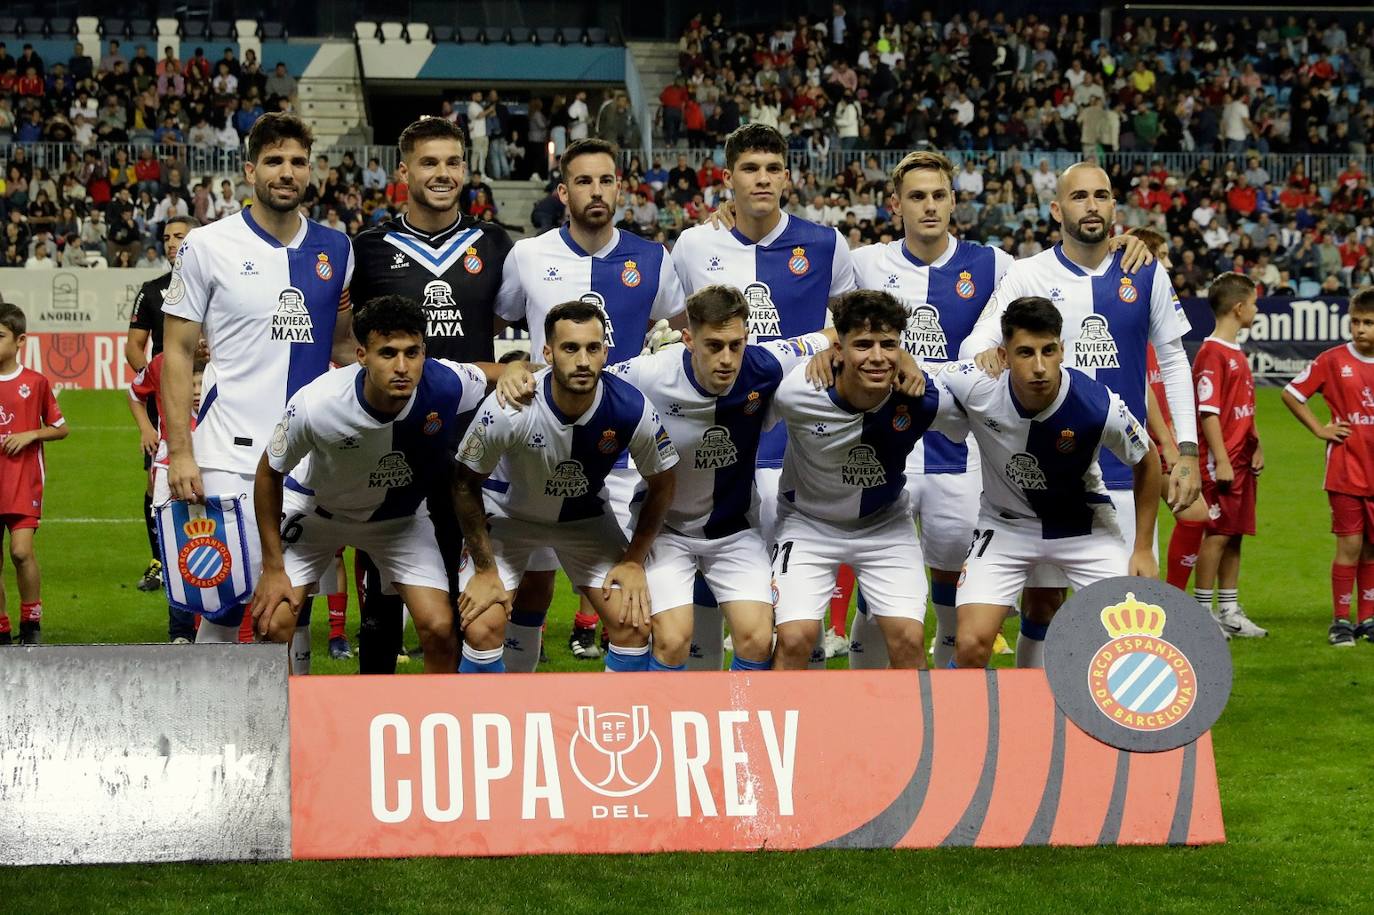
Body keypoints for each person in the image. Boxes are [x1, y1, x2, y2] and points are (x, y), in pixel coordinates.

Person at [963, 162, 1196, 665]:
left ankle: (1115, 724)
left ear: (1114, 207)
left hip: (1128, 471)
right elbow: (980, 340)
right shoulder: (1027, 274)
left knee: (1125, 612)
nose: (1091, 205)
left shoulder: (1145, 270)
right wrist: (985, 352)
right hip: (1052, 471)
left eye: (1101, 196)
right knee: (1044, 603)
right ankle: (1036, 709)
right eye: (1079, 197)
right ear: (1057, 209)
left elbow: (1174, 361)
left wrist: (1188, 451)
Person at [160, 113, 355, 663]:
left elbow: (341, 346)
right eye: (274, 161)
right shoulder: (206, 245)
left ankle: (296, 727)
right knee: (222, 601)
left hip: (309, 457)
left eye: (297, 161)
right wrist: (180, 451)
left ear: (310, 171)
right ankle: (210, 732)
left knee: (293, 603)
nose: (286, 172)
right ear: (251, 171)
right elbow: (176, 352)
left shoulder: (337, 249)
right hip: (227, 452)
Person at [672, 123, 857, 670]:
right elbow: (681, 329)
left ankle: (806, 679)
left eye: (773, 168)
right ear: (727, 178)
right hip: (720, 432)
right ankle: (706, 689)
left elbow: (847, 323)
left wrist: (830, 343)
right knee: (716, 550)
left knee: (798, 571)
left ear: (787, 176)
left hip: (799, 434)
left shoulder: (826, 243)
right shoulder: (694, 244)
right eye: (750, 169)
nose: (763, 179)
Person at [496, 138, 685, 662]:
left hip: (618, 454)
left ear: (620, 188)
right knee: (530, 590)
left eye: (605, 180)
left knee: (628, 607)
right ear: (563, 191)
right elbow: (501, 321)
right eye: (583, 180)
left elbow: (678, 329)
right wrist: (512, 367)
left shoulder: (653, 258)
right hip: (534, 452)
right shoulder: (529, 254)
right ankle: (517, 711)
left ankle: (621, 724)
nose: (596, 191)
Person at [249, 296, 499, 674]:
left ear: (424, 352)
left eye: (412, 353)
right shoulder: (318, 404)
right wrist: (272, 567)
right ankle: (283, 728)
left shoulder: (444, 384)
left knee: (439, 629)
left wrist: (515, 372)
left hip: (398, 523)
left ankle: (431, 727)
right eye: (387, 353)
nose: (403, 367)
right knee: (273, 622)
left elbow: (485, 373)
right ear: (362, 355)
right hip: (317, 515)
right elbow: (269, 472)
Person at [348, 116, 516, 674]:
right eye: (428, 162)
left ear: (465, 169)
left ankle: (447, 723)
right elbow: (345, 340)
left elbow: (510, 315)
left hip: (470, 439)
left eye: (452, 162)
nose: (442, 174)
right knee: (382, 586)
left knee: (458, 585)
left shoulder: (494, 243)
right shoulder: (368, 248)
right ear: (404, 170)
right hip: (392, 436)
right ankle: (372, 711)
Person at [605, 285, 835, 671]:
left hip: (735, 530)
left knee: (758, 638)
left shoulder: (764, 364)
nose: (727, 359)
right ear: (688, 340)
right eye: (714, 346)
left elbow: (831, 335)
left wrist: (837, 349)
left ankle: (739, 728)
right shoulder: (649, 373)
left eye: (736, 344)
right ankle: (662, 725)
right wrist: (513, 370)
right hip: (666, 530)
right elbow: (581, 379)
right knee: (674, 639)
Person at [846, 150, 1013, 669]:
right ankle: (866, 700)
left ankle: (942, 698)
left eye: (939, 195)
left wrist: (1123, 242)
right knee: (879, 584)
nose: (929, 206)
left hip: (957, 454)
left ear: (954, 201)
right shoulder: (866, 262)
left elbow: (1060, 268)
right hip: (883, 447)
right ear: (895, 205)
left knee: (949, 578)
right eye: (917, 197)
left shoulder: (993, 264)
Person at [452, 301, 679, 673]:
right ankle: (495, 724)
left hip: (583, 519)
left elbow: (664, 481)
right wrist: (484, 568)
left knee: (633, 624)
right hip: (508, 518)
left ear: (606, 351)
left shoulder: (630, 407)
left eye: (593, 348)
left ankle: (615, 727)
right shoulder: (509, 406)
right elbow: (463, 483)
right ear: (547, 352)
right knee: (481, 626)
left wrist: (634, 561)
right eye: (570, 348)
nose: (583, 360)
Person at [944, 296, 1160, 669]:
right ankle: (964, 723)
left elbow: (1148, 460)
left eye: (1049, 351)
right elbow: (917, 373)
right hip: (1005, 525)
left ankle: (1054, 712)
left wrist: (1142, 548)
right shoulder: (976, 383)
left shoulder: (1098, 404)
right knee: (971, 644)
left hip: (1085, 528)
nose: (1040, 366)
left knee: (1130, 641)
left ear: (1063, 350)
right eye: (1025, 353)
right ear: (1004, 355)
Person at [768, 290, 960, 669]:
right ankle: (780, 728)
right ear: (838, 349)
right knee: (795, 638)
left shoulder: (922, 397)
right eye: (863, 345)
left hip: (884, 526)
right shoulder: (796, 391)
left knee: (908, 638)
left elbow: (980, 417)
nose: (876, 356)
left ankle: (924, 729)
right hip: (807, 525)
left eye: (888, 345)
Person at [1283, 287, 1374, 646]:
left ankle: (1367, 619)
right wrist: (1320, 428)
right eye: (1355, 322)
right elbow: (1292, 393)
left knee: (1371, 548)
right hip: (1346, 471)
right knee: (1350, 546)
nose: (1361, 329)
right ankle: (1340, 620)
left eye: (1368, 323)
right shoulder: (1333, 360)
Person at [124, 216, 200, 594]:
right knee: (155, 480)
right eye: (167, 238)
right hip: (167, 401)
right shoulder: (153, 291)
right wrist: (158, 383)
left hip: (212, 394)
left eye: (179, 237)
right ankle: (161, 558)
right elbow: (133, 346)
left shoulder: (215, 284)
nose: (171, 243)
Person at [1193, 273, 1267, 639]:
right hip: (1222, 460)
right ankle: (1202, 612)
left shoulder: (1236, 352)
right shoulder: (1212, 354)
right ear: (1239, 308)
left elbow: (1243, 409)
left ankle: (1229, 610)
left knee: (1234, 534)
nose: (1256, 309)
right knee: (1217, 534)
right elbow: (1209, 411)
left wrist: (1256, 444)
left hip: (1241, 459)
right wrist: (1220, 459)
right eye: (1253, 303)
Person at [128, 336, 209, 643]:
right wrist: (147, 428)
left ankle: (210, 626)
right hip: (169, 463)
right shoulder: (162, 363)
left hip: (217, 460)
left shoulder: (230, 353)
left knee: (215, 545)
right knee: (177, 552)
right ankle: (181, 632)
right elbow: (134, 392)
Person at [0, 303, 69, 645]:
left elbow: (60, 427)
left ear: (20, 340)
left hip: (23, 481)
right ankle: (1, 626)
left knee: (20, 552)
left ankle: (31, 621)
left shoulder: (35, 382)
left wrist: (31, 434)